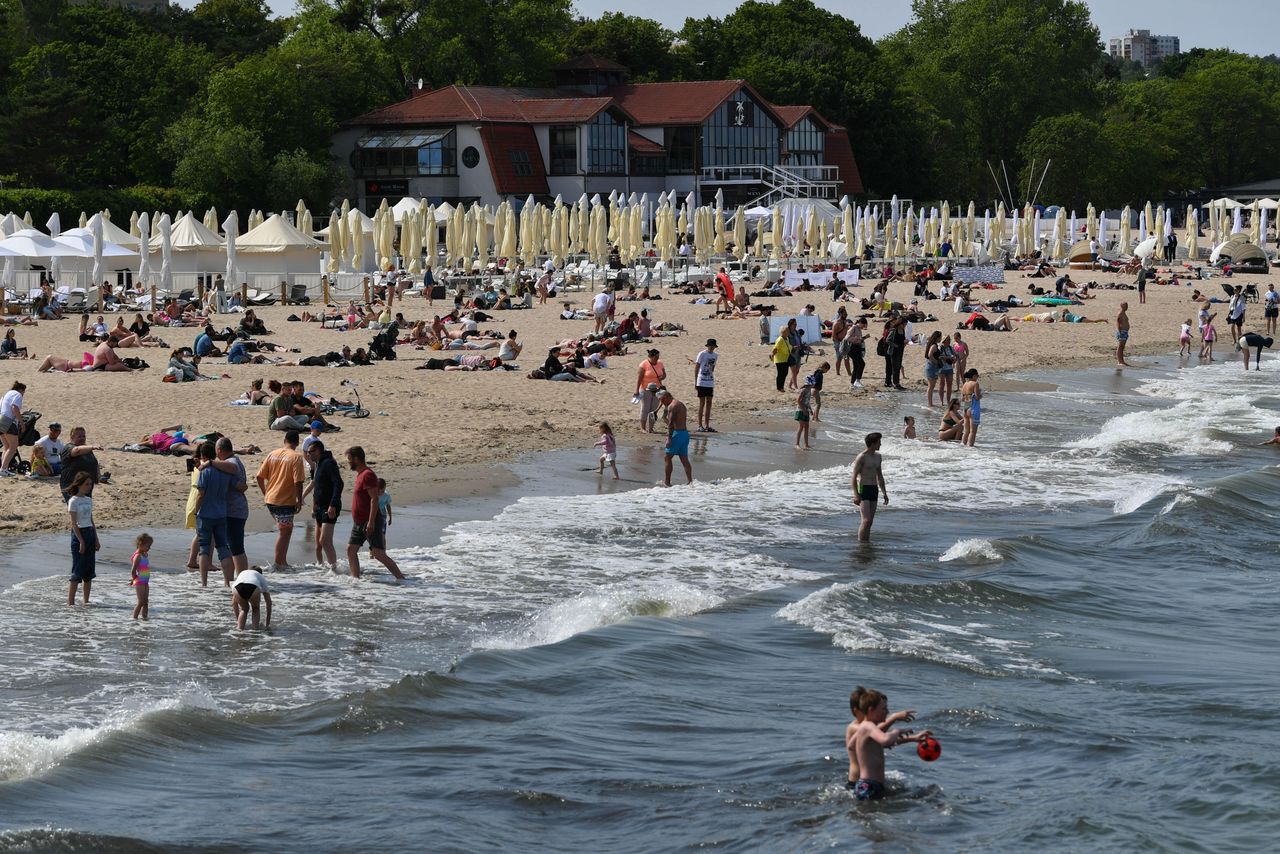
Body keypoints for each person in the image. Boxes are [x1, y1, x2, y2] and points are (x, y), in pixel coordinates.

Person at [845, 686, 930, 800]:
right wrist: (897, 731)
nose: (887, 712)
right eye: (884, 709)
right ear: (871, 710)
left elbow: (851, 745)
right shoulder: (867, 726)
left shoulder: (866, 727)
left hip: (870, 785)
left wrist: (913, 738)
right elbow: (885, 740)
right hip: (868, 785)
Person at [345, 446, 404, 581]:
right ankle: (356, 580)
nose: (348, 462)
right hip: (359, 522)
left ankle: (402, 579)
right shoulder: (360, 475)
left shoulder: (368, 475)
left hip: (369, 521)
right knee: (351, 550)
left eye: (349, 459)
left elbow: (374, 499)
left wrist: (371, 522)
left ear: (357, 459)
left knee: (378, 553)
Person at [256, 430, 307, 571]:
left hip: (271, 499)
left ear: (284, 440)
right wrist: (299, 500)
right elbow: (298, 482)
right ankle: (278, 563)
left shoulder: (273, 454)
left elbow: (259, 477)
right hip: (284, 500)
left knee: (286, 530)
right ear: (297, 443)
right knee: (284, 532)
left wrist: (265, 493)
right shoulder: (296, 457)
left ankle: (282, 561)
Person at [194, 441, 234, 587]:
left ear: (203, 456)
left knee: (204, 548)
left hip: (206, 514)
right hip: (221, 512)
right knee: (223, 547)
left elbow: (201, 494)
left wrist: (195, 511)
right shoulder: (224, 470)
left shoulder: (205, 471)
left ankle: (204, 583)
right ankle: (227, 583)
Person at [217, 437, 251, 577]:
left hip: (235, 511)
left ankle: (243, 578)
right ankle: (234, 579)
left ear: (219, 450)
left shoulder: (231, 463)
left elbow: (238, 483)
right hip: (237, 509)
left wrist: (210, 463)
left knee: (236, 547)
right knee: (232, 546)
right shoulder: (234, 459)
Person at [66, 471, 98, 605]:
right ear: (79, 485)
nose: (89, 487)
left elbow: (91, 520)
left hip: (90, 533)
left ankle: (86, 602)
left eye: (90, 484)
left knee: (89, 571)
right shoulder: (73, 501)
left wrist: (96, 538)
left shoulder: (89, 500)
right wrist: (81, 541)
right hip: (79, 534)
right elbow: (74, 523)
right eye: (86, 484)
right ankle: (70, 603)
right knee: (77, 571)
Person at [851, 433, 887, 542]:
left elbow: (879, 476)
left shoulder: (878, 456)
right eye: (879, 442)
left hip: (874, 489)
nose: (880, 444)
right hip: (863, 488)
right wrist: (856, 494)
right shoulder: (862, 457)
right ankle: (861, 544)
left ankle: (866, 542)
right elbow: (853, 477)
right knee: (866, 520)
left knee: (870, 521)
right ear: (873, 443)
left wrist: (884, 492)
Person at [59, 426, 104, 502]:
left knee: (85, 510)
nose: (82, 438)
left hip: (86, 486)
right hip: (71, 485)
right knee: (77, 509)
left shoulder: (87, 449)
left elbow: (94, 462)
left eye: (83, 436)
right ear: (72, 437)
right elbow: (77, 451)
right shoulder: (68, 447)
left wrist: (98, 476)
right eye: (79, 436)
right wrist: (92, 447)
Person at [657, 389, 692, 487]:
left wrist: (669, 438)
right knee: (684, 459)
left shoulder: (672, 406)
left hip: (677, 434)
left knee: (667, 457)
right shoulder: (680, 404)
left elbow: (671, 424)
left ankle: (667, 482)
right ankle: (690, 482)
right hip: (684, 434)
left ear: (665, 397)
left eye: (661, 400)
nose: (662, 403)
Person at [0, 381, 26, 476]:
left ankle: (3, 468)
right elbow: (14, 407)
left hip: (0, 419)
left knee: (6, 446)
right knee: (13, 446)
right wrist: (22, 423)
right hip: (8, 421)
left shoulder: (6, 394)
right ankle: (3, 469)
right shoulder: (17, 394)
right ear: (21, 390)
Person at [694, 338, 718, 432]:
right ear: (707, 346)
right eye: (710, 346)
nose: (712, 347)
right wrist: (696, 382)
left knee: (709, 403)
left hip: (710, 381)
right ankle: (700, 425)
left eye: (713, 346)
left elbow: (713, 368)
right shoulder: (702, 354)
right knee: (702, 403)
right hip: (701, 381)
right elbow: (697, 367)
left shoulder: (715, 355)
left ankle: (707, 425)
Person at [130, 533, 153, 620]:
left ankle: (144, 618)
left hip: (146, 581)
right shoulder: (138, 556)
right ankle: (134, 619)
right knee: (141, 602)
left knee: (146, 602)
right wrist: (134, 579)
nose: (149, 548)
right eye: (148, 546)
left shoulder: (145, 554)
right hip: (139, 581)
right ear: (141, 544)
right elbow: (133, 570)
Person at [961, 368, 982, 446]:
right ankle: (970, 449)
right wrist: (980, 395)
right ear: (974, 376)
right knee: (973, 432)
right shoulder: (975, 384)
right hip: (973, 407)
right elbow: (977, 397)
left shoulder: (965, 384)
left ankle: (962, 446)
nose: (977, 378)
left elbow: (962, 398)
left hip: (966, 407)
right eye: (977, 376)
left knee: (966, 431)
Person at [771, 321, 793, 392]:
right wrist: (772, 356)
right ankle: (779, 388)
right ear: (783, 332)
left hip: (786, 358)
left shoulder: (787, 339)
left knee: (785, 373)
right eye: (787, 331)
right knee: (781, 374)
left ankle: (781, 387)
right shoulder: (780, 339)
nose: (788, 332)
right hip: (780, 359)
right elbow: (775, 349)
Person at [846, 318, 867, 390]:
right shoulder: (854, 327)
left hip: (857, 348)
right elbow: (847, 338)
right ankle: (857, 380)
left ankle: (852, 383)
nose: (863, 327)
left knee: (856, 366)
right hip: (852, 348)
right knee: (862, 364)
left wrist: (862, 339)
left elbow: (858, 339)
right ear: (860, 323)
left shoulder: (858, 329)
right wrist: (857, 339)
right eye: (863, 325)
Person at [795, 379, 813, 449]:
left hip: (806, 409)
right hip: (800, 410)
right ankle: (797, 444)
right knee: (801, 426)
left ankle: (806, 444)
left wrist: (810, 409)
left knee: (807, 427)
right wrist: (803, 410)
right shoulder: (804, 390)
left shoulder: (809, 390)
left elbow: (807, 401)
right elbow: (798, 401)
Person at [1115, 302, 1131, 366]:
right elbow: (1117, 322)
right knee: (1120, 347)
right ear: (1121, 306)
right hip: (1122, 332)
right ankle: (1120, 361)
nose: (1127, 307)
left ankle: (1122, 361)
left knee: (1122, 347)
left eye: (1127, 305)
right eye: (1125, 306)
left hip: (1125, 332)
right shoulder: (1120, 313)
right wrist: (1120, 331)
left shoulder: (1124, 313)